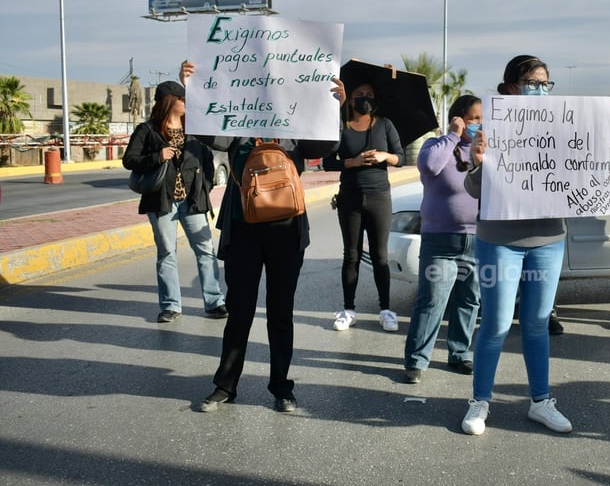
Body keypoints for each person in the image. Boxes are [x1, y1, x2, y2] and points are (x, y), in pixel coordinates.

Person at [460, 55, 610, 436]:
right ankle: (479, 401)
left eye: (544, 83)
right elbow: (473, 190)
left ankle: (541, 401)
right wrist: (478, 161)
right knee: (498, 324)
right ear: (510, 88)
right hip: (499, 241)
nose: (539, 89)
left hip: (548, 240)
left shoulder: (570, 127)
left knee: (537, 324)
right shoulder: (489, 129)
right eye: (532, 82)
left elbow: (594, 183)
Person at [177, 61, 347, 412]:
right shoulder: (238, 119)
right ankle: (225, 386)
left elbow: (325, 147)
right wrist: (191, 89)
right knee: (240, 309)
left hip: (287, 229)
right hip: (242, 228)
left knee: (280, 312)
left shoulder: (299, 120)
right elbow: (210, 132)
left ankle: (281, 387)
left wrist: (335, 107)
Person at [122, 80, 227, 323]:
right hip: (162, 201)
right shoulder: (147, 130)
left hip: (192, 202)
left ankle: (214, 302)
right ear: (170, 101)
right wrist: (157, 156)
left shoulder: (194, 130)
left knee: (205, 251)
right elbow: (130, 160)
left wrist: (206, 188)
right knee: (167, 253)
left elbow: (207, 161)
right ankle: (170, 306)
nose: (186, 104)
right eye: (182, 99)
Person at [403, 95, 482, 384]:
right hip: (440, 241)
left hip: (477, 239)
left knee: (470, 300)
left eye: (481, 118)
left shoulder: (482, 150)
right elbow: (430, 166)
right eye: (473, 118)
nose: (478, 123)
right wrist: (453, 135)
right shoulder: (436, 146)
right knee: (432, 300)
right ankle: (416, 360)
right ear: (458, 118)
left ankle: (460, 353)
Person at [322, 80, 405, 332]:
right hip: (350, 198)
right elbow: (328, 163)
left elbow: (400, 157)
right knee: (351, 255)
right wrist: (353, 162)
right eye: (360, 94)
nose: (365, 98)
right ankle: (348, 309)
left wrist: (384, 156)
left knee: (380, 256)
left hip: (379, 196)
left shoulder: (384, 124)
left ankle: (386, 310)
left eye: (369, 94)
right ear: (351, 98)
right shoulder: (341, 126)